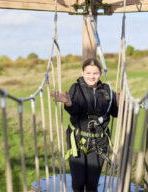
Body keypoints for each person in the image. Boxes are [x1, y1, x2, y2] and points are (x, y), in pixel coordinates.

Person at [51, 58, 118, 192]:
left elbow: (114, 113)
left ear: (100, 73)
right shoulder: (75, 88)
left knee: (92, 185)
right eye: (88, 73)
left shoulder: (107, 90)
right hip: (78, 141)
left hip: (99, 142)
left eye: (95, 73)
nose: (92, 76)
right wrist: (69, 104)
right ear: (82, 72)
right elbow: (75, 111)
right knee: (78, 183)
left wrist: (120, 105)